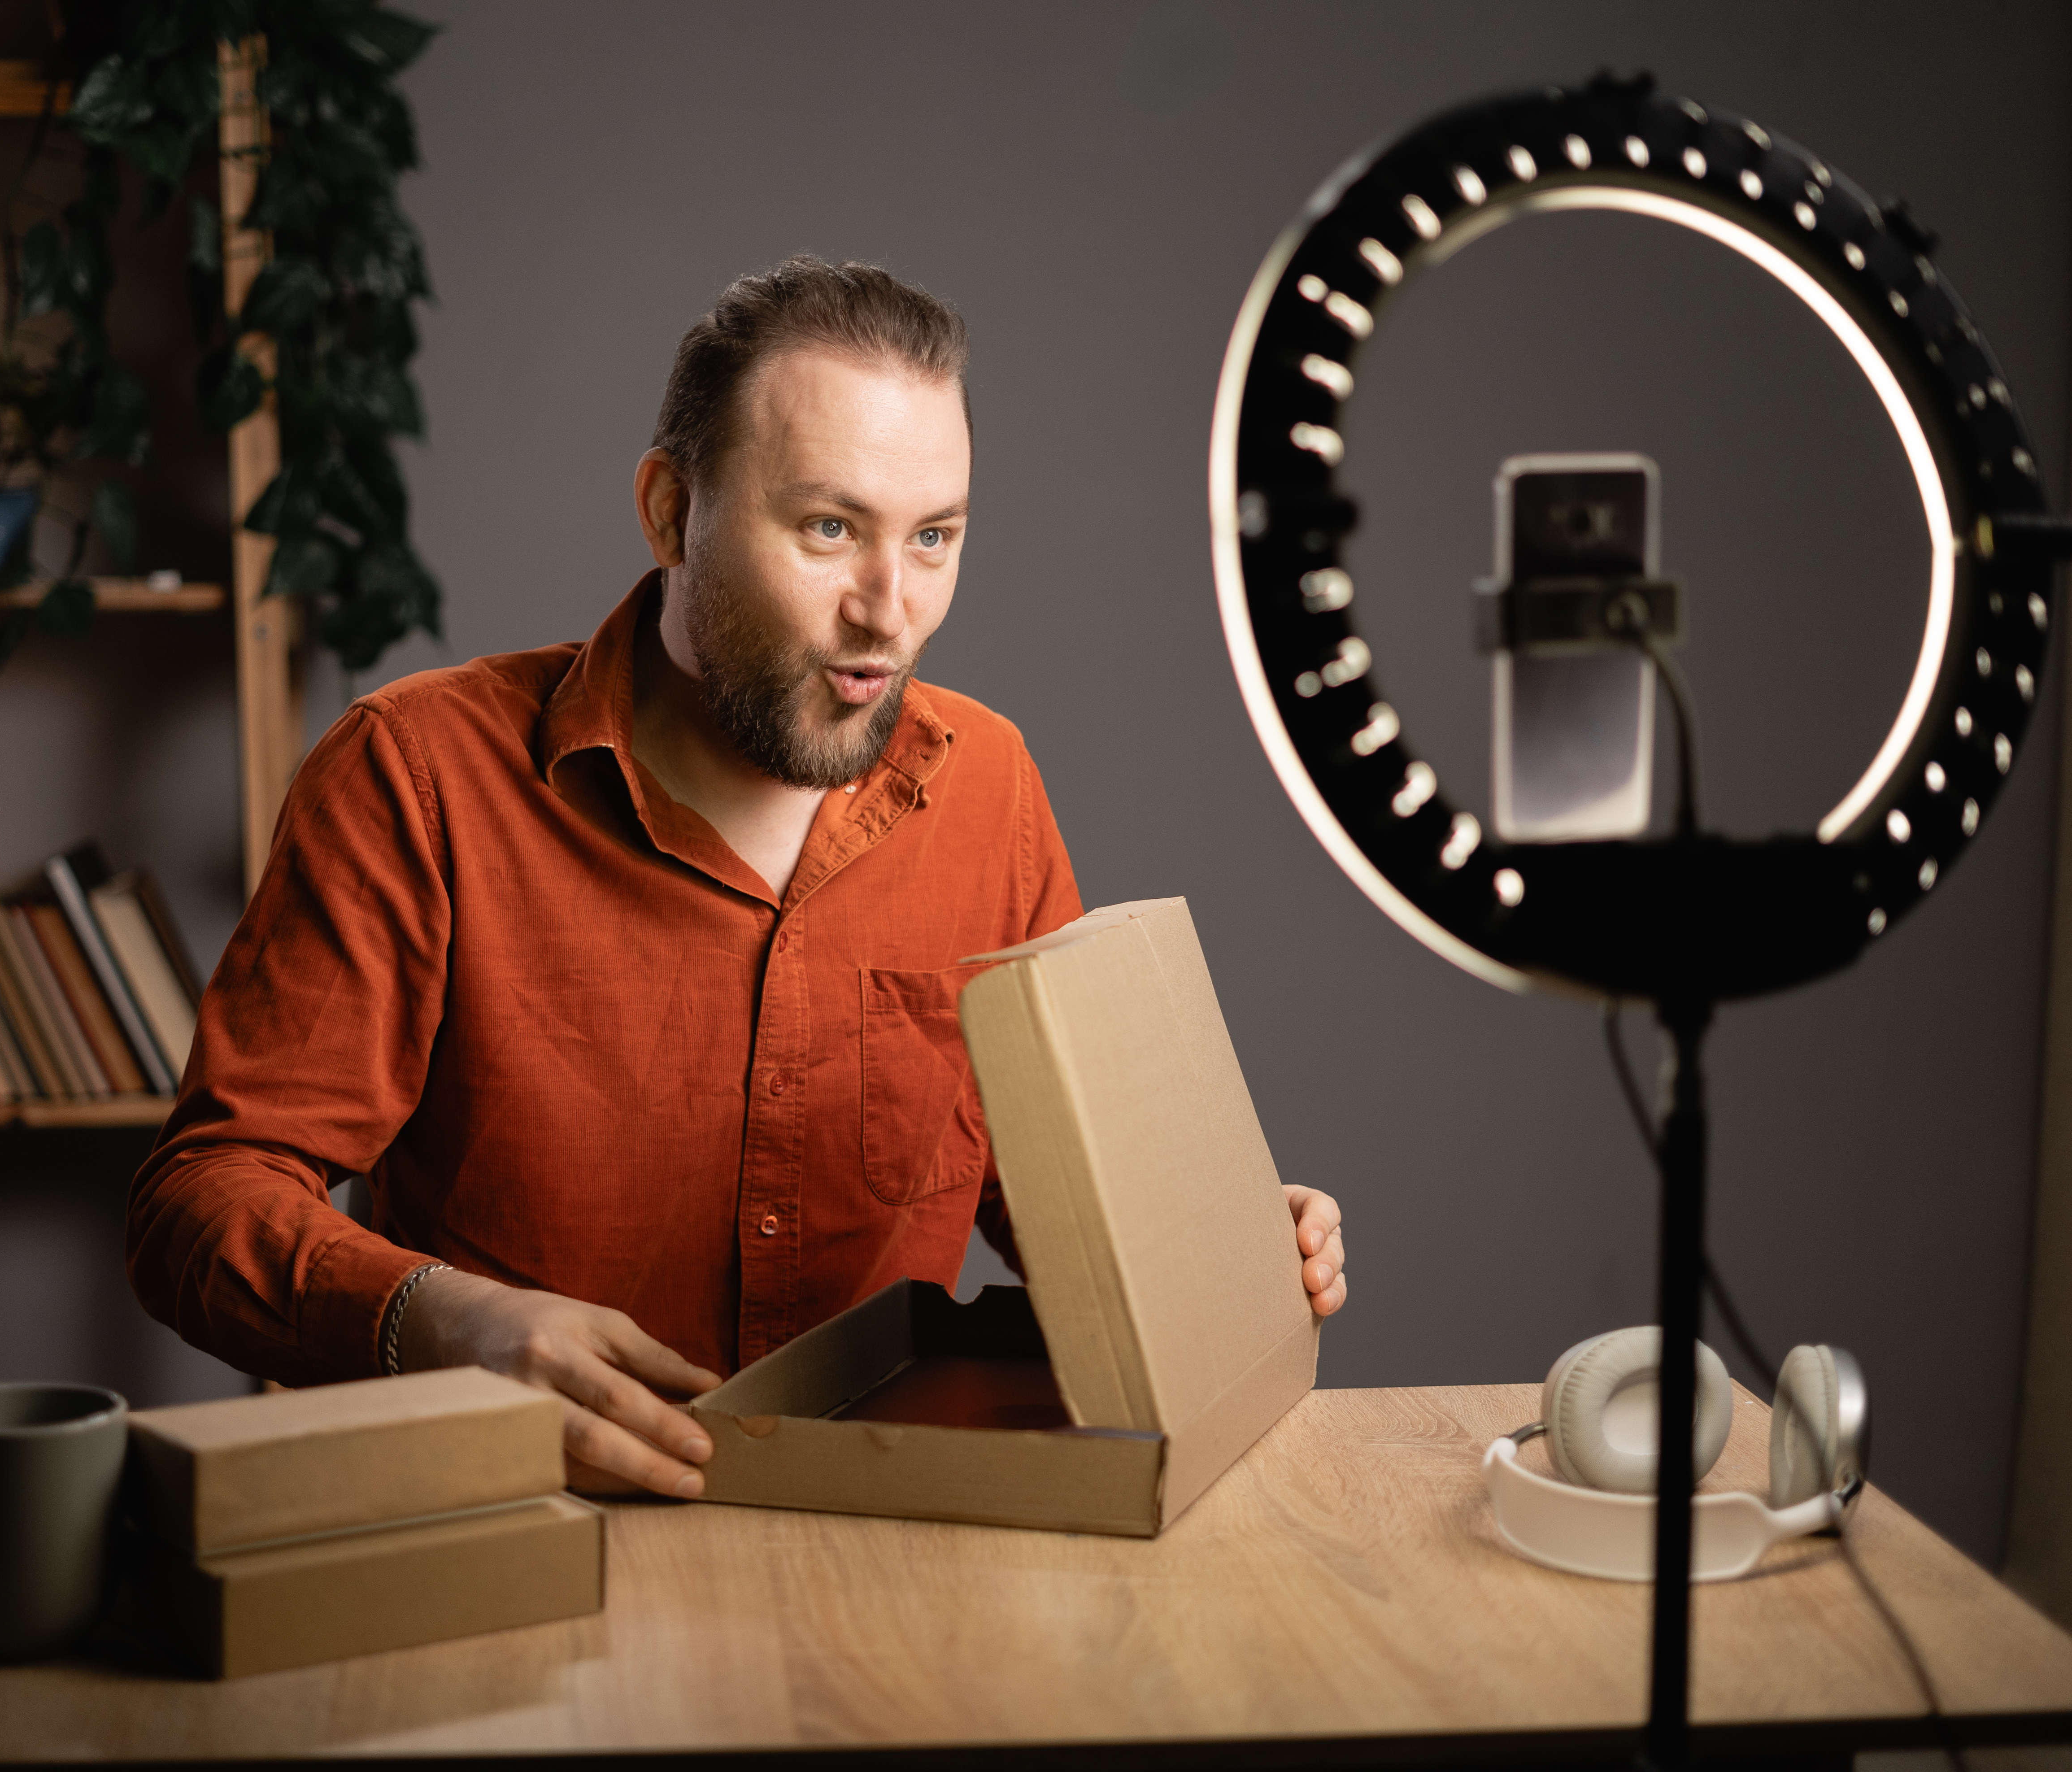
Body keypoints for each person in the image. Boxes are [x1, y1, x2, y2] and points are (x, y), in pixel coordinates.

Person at [126, 256, 1348, 1498]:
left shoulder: (992, 782)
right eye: (830, 529)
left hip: (891, 1539)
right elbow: (200, 1201)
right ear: (670, 512)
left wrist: (1210, 1243)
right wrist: (446, 1324)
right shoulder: (415, 775)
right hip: (527, 1544)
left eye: (934, 537)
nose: (890, 612)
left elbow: (1050, 1190)